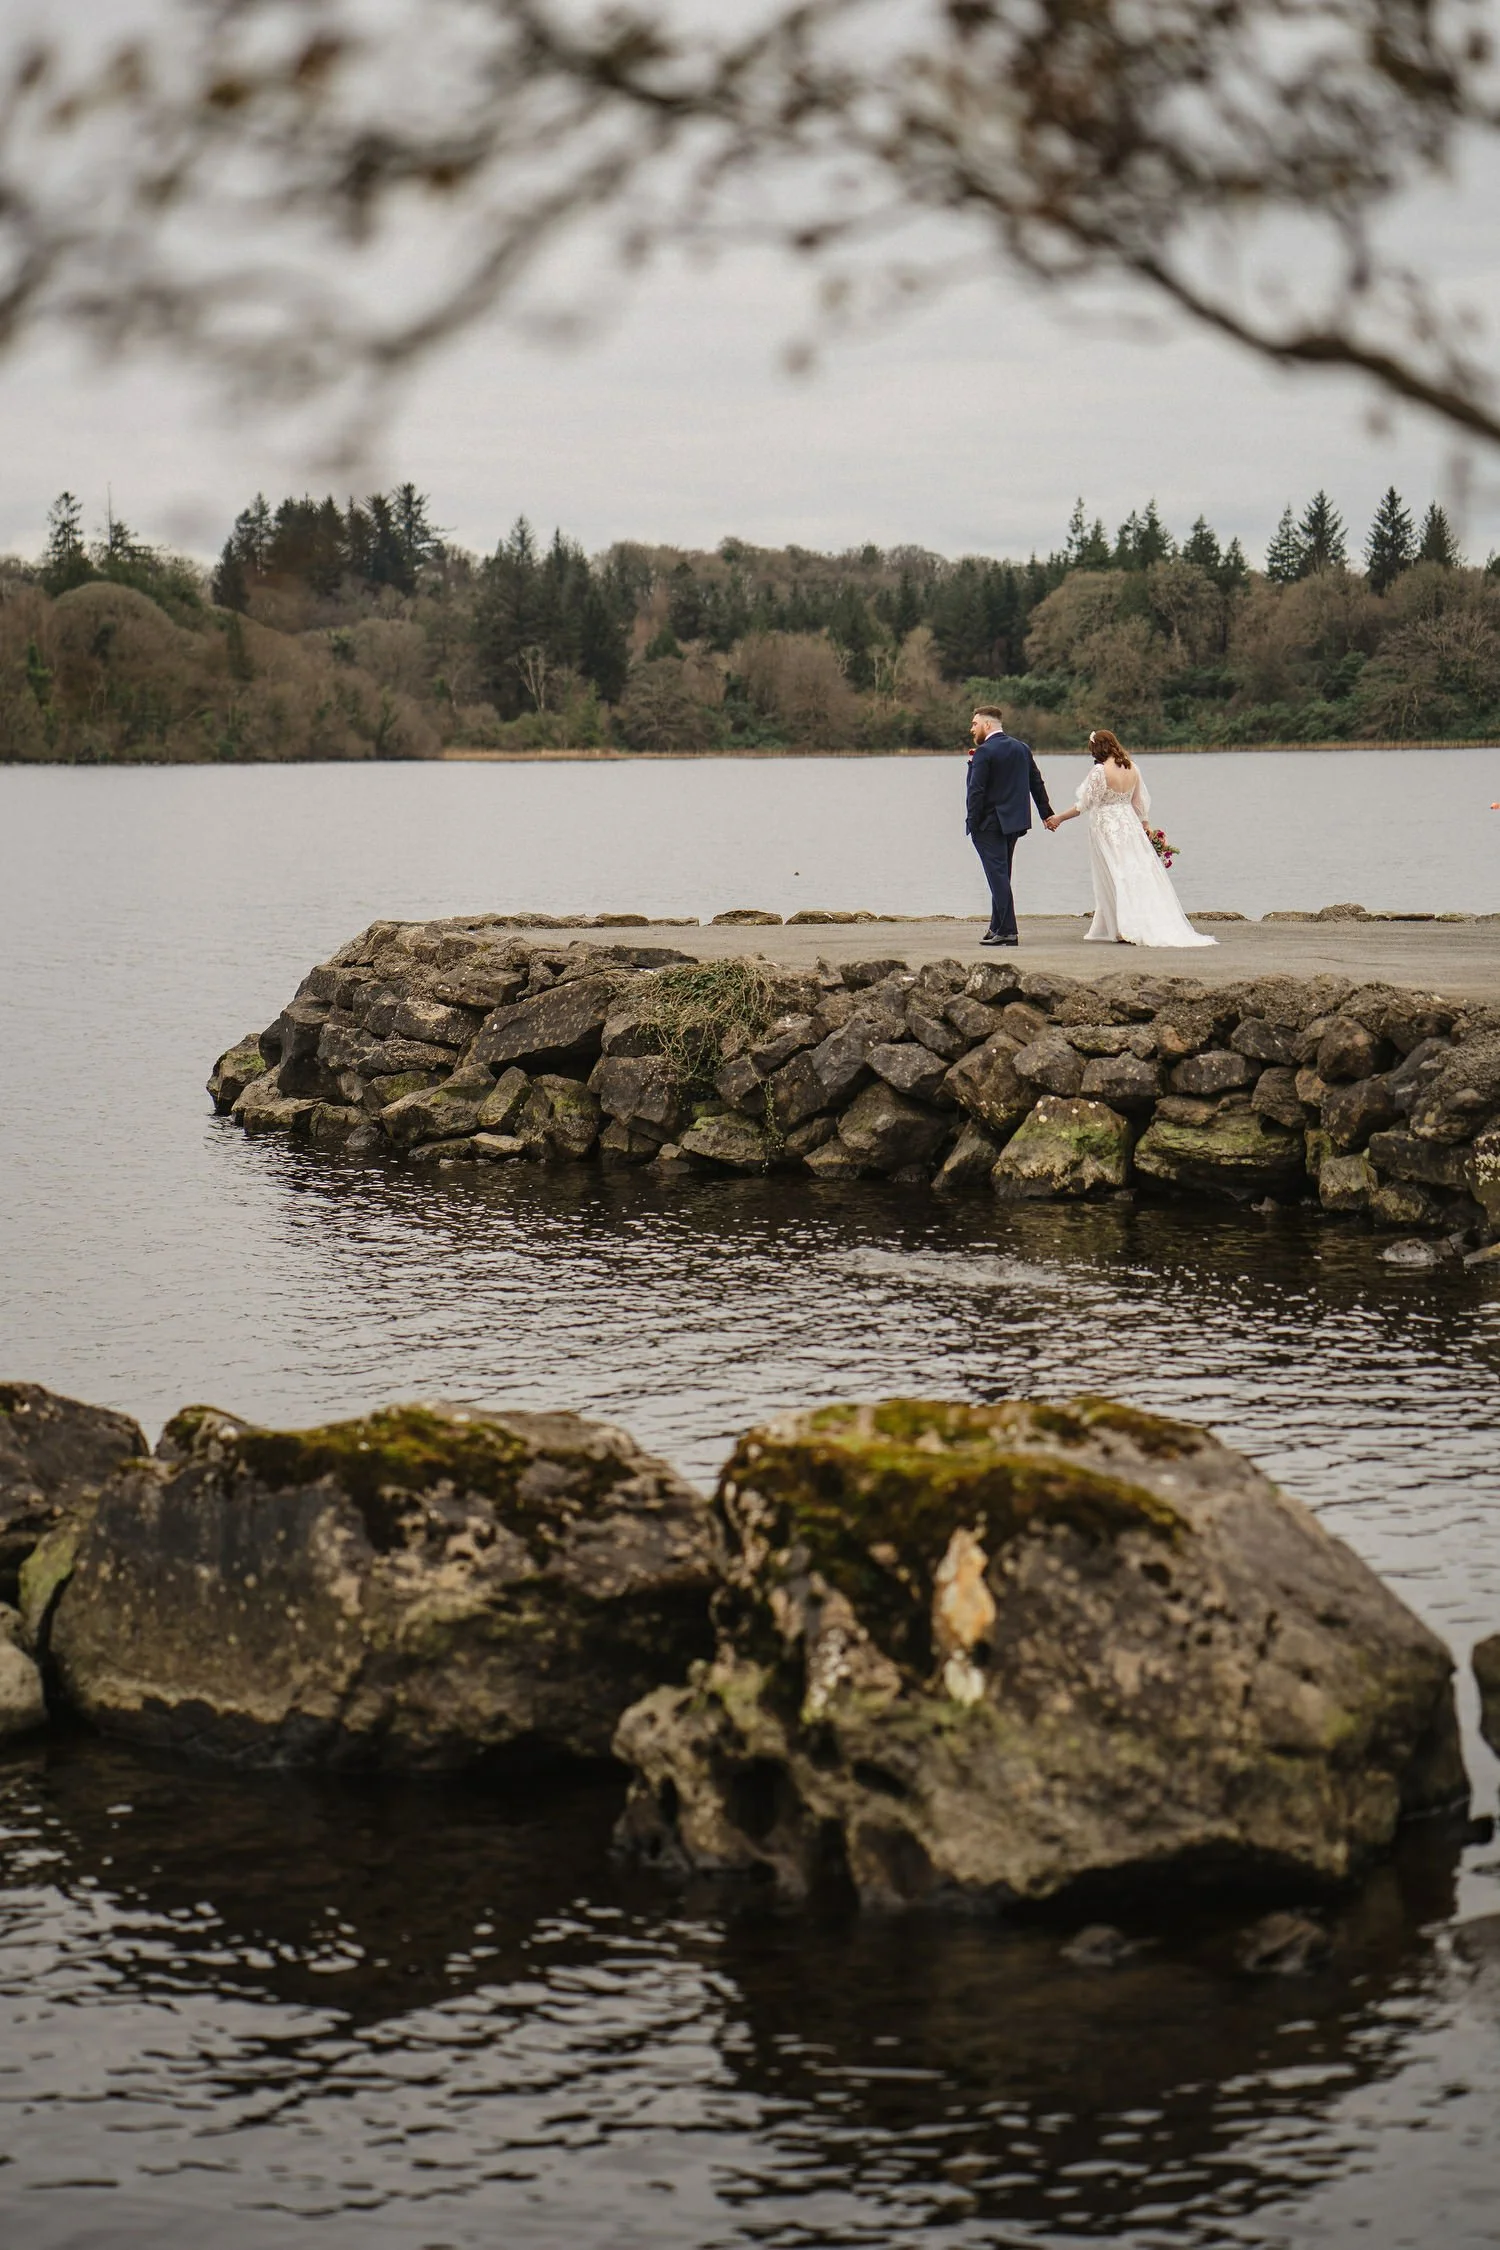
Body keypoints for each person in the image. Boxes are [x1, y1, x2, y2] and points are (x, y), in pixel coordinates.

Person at [1044, 729, 1216, 948]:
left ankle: (1123, 927)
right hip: (1129, 825)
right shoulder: (1133, 768)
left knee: (1114, 873)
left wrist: (1058, 818)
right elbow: (1138, 804)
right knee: (1134, 870)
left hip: (1106, 826)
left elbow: (1084, 805)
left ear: (1098, 748)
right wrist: (1146, 827)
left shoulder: (1099, 771)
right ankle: (1126, 922)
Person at [965, 706, 1055, 948]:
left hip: (988, 823)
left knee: (997, 877)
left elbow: (976, 790)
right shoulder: (1021, 748)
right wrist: (1046, 813)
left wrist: (971, 822)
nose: (971, 728)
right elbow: (1036, 781)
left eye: (974, 724)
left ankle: (1008, 931)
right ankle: (996, 926)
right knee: (1002, 875)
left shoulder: (985, 752)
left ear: (987, 725)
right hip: (1013, 823)